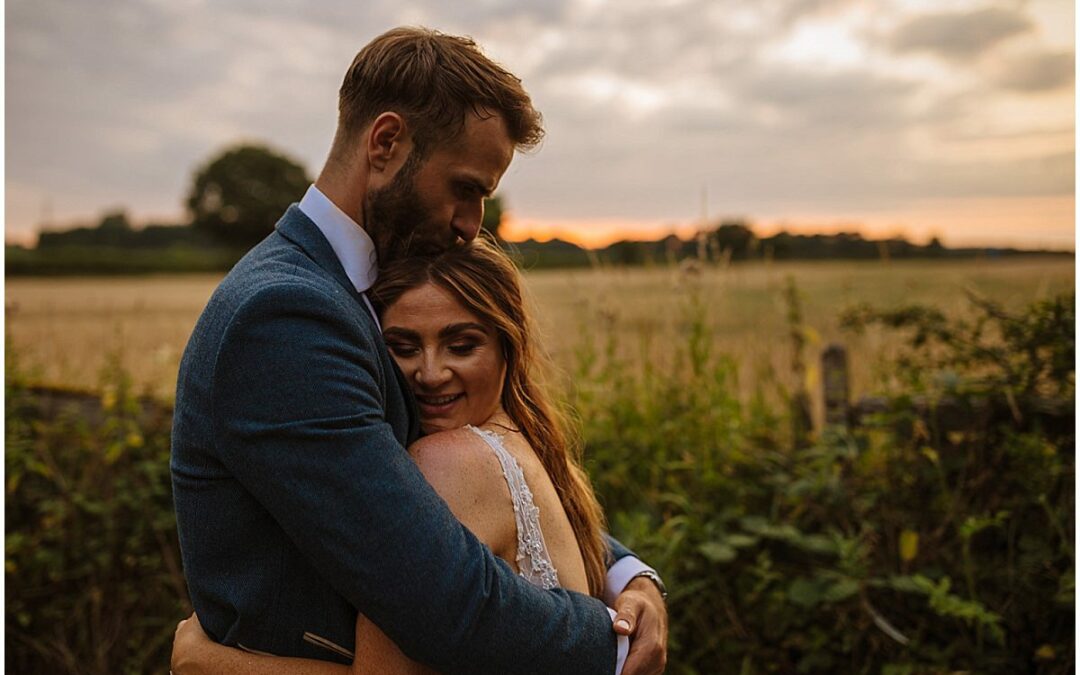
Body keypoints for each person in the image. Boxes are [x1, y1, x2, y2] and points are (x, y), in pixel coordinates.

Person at [170, 26, 667, 675]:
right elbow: (441, 595)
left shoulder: (351, 290)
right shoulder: (286, 315)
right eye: (465, 187)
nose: (471, 223)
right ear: (386, 143)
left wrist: (629, 575)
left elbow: (427, 494)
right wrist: (613, 641)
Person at [173, 236, 637, 673]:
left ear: (507, 347)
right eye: (404, 347)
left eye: (462, 345)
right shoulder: (527, 444)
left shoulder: (449, 460)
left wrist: (214, 665)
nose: (431, 373)